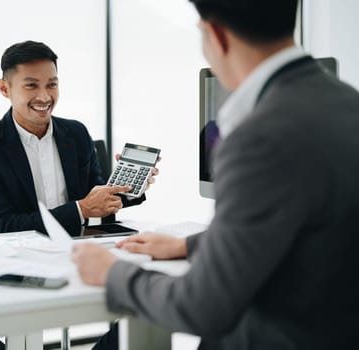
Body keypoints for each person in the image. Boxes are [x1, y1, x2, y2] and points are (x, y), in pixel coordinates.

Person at [72, 0, 359, 349]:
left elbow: (203, 306)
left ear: (215, 35)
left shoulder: (257, 136)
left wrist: (111, 272)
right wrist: (187, 245)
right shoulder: (348, 102)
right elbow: (307, 225)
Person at [0, 41, 156, 350]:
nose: (44, 97)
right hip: (19, 264)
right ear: (4, 88)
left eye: (52, 84)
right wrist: (80, 209)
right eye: (31, 85)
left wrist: (132, 187)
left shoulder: (75, 133)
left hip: (77, 254)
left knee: (146, 301)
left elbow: (99, 197)